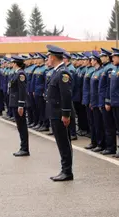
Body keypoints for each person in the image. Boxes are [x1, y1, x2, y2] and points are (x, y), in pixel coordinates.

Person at [46, 44, 74, 182]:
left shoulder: (63, 73)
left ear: (53, 57)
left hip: (60, 114)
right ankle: (64, 170)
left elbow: (66, 96)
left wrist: (66, 114)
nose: (47, 59)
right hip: (55, 112)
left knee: (64, 143)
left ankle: (67, 171)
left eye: (48, 57)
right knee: (60, 142)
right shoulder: (57, 72)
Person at [8, 56, 30, 157]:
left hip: (18, 103)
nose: (11, 64)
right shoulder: (16, 73)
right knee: (20, 126)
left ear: (16, 63)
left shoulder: (21, 74)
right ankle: (23, 147)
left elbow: (22, 90)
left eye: (12, 62)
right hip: (14, 102)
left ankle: (24, 148)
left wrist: (21, 105)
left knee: (22, 126)